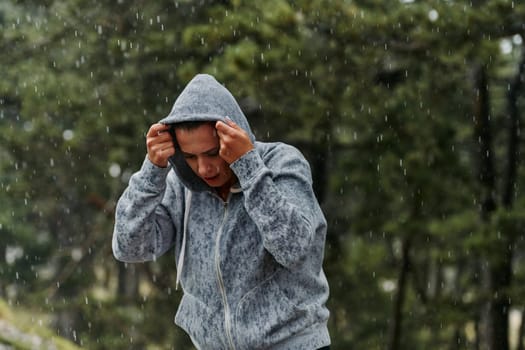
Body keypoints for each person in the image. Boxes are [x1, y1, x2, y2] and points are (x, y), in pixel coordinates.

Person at [112, 73, 331, 349]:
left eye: (213, 152)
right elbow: (129, 247)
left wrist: (248, 167)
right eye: (190, 157)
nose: (204, 169)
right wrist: (151, 172)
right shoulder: (180, 187)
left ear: (234, 135)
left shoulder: (282, 164)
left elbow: (294, 249)